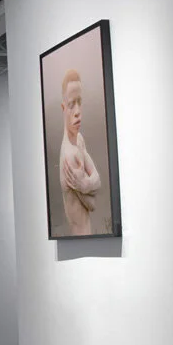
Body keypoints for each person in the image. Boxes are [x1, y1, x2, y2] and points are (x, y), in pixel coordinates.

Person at [57, 69, 101, 235]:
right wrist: (89, 186)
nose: (77, 112)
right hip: (81, 237)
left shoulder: (79, 139)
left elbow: (98, 180)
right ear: (63, 108)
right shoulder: (70, 156)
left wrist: (85, 185)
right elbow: (93, 205)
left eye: (79, 102)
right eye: (71, 104)